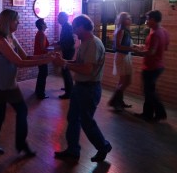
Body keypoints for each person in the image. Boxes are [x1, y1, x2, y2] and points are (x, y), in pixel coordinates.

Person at [0, 9, 54, 156]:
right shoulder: (0, 41)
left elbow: (27, 57)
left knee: (22, 112)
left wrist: (46, 56)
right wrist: (47, 60)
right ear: (8, 22)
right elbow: (20, 63)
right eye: (16, 20)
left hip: (10, 85)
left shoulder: (12, 37)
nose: (19, 22)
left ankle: (21, 144)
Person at [53, 14, 112, 163]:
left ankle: (103, 146)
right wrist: (63, 61)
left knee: (86, 122)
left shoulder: (93, 44)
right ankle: (73, 150)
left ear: (81, 27)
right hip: (81, 88)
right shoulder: (85, 42)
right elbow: (78, 62)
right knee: (73, 119)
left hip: (89, 89)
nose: (73, 30)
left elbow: (87, 69)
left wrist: (65, 64)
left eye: (74, 27)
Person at [135, 10, 169, 122]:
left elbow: (151, 52)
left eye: (148, 19)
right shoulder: (164, 31)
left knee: (149, 92)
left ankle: (160, 113)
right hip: (158, 66)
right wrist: (143, 47)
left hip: (151, 67)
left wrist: (137, 52)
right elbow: (164, 47)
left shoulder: (155, 33)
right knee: (149, 91)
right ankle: (147, 114)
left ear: (153, 20)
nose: (146, 21)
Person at [108, 12, 137, 111]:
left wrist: (135, 47)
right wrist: (132, 49)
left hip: (126, 55)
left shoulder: (126, 30)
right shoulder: (121, 30)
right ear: (123, 20)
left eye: (129, 18)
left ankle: (118, 101)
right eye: (127, 19)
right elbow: (118, 46)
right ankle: (116, 102)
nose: (129, 20)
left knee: (126, 81)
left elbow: (127, 44)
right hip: (121, 56)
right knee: (124, 81)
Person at [57, 12, 75, 99]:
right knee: (65, 70)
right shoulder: (65, 26)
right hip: (67, 50)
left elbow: (71, 40)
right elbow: (65, 39)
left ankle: (69, 92)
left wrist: (61, 46)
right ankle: (69, 87)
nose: (58, 19)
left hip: (68, 50)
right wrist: (58, 43)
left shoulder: (67, 26)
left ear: (63, 18)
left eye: (59, 17)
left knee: (65, 70)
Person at [34, 18, 50, 99]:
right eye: (45, 23)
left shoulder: (39, 33)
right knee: (43, 74)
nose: (46, 24)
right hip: (42, 57)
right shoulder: (42, 34)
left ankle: (38, 91)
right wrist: (52, 48)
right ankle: (41, 94)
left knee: (41, 74)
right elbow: (43, 48)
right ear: (42, 25)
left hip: (39, 57)